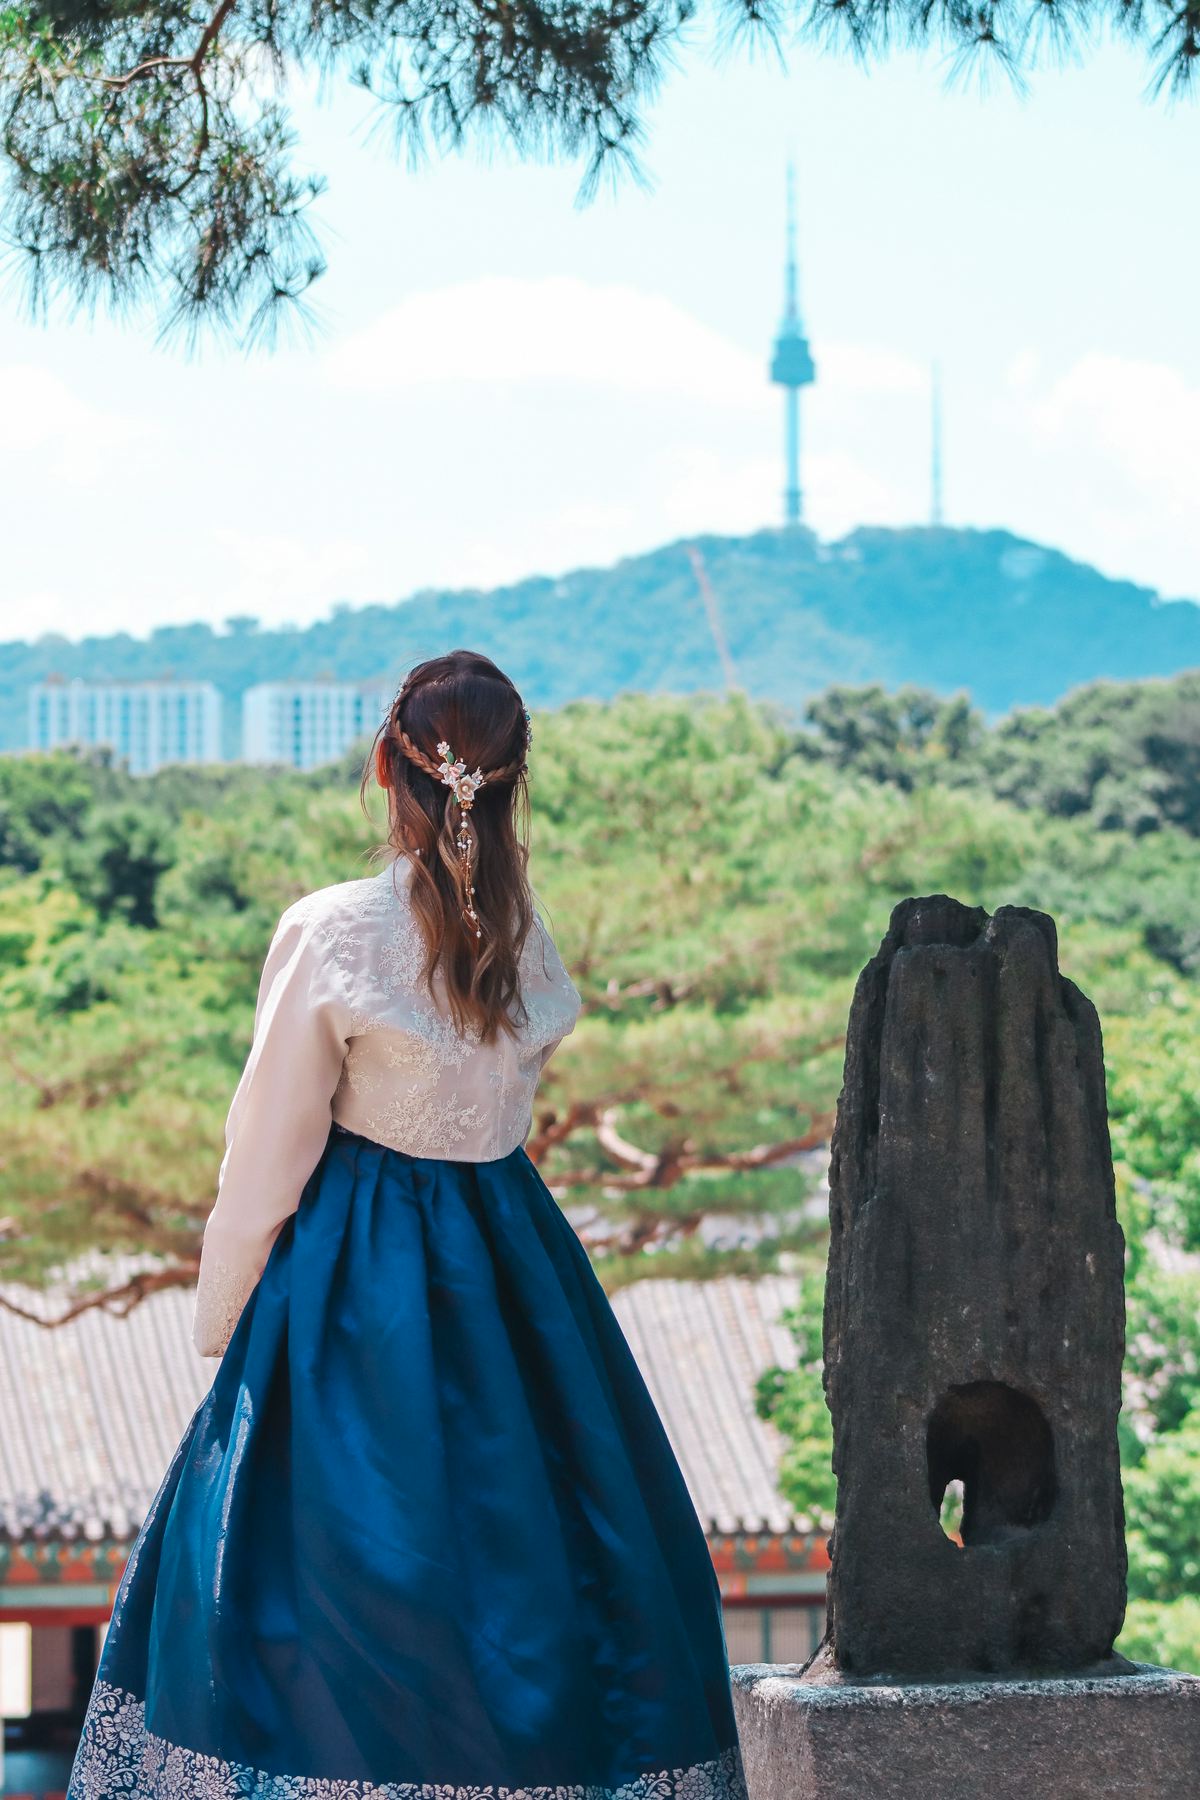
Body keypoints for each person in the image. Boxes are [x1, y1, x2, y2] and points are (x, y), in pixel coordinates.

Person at [67, 649, 748, 1800]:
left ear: (389, 766)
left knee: (320, 1578)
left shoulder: (334, 930)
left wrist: (229, 1329)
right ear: (514, 777)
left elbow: (267, 1157)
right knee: (549, 1559)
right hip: (513, 1262)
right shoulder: (528, 938)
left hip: (354, 1279)